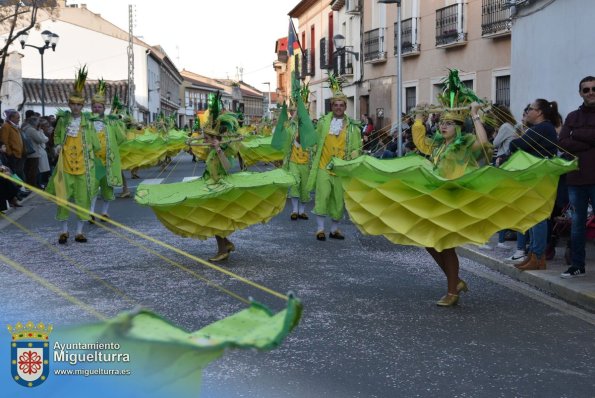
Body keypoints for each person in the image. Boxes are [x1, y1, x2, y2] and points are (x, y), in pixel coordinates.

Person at [411, 101, 491, 306]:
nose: (443, 126)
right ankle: (455, 281)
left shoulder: (464, 145)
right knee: (430, 242)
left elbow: (483, 143)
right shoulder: (438, 145)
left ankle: (452, 292)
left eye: (449, 123)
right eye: (442, 123)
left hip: (454, 200)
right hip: (436, 199)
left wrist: (474, 115)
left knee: (446, 246)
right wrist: (420, 117)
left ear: (458, 127)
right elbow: (420, 142)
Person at [46, 66, 100, 244]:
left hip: (85, 167)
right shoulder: (63, 120)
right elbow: (57, 138)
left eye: (79, 104)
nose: (76, 107)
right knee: (63, 198)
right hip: (66, 166)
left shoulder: (89, 122)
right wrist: (58, 146)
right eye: (73, 104)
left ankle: (79, 232)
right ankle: (63, 231)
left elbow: (95, 143)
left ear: (82, 106)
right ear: (69, 104)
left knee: (83, 199)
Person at [307, 74, 362, 241]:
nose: (338, 107)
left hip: (340, 169)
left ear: (345, 107)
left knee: (338, 200)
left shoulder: (353, 128)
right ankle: (320, 229)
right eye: (335, 105)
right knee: (322, 196)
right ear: (332, 106)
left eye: (341, 105)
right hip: (324, 166)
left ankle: (335, 229)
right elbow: (315, 141)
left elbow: (356, 147)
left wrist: (353, 155)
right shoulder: (323, 122)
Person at [509, 99, 559, 271]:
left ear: (539, 112)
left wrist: (516, 141)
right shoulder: (540, 129)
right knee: (533, 216)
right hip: (536, 178)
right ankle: (533, 255)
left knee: (537, 217)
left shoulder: (543, 128)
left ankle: (538, 256)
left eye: (530, 109)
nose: (527, 111)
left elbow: (516, 145)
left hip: (540, 178)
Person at [558, 76, 595, 278]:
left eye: (593, 89)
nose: (590, 92)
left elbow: (570, 139)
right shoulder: (572, 116)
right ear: (580, 93)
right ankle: (577, 265)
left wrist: (576, 136)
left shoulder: (573, 124)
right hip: (576, 179)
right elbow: (562, 142)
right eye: (586, 89)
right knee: (577, 226)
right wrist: (589, 140)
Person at [88, 79, 126, 221]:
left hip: (108, 161)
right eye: (94, 107)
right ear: (91, 108)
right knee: (92, 188)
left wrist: (119, 124)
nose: (97, 109)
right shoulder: (87, 122)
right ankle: (91, 212)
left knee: (107, 189)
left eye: (99, 107)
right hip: (93, 161)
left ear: (103, 108)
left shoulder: (111, 122)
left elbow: (121, 138)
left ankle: (104, 212)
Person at [0, 109, 26, 182]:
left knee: (19, 172)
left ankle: (21, 189)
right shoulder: (6, 126)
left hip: (18, 154)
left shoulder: (15, 126)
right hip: (13, 155)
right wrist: (10, 153)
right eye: (17, 117)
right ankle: (20, 189)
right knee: (16, 172)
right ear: (11, 118)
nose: (19, 119)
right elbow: (4, 141)